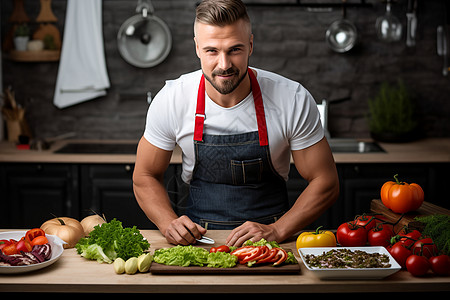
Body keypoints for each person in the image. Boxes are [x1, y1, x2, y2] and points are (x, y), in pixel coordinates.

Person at [133, 0, 339, 246]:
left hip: (273, 243)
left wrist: (277, 230)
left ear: (250, 45)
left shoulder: (291, 98)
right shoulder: (172, 99)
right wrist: (169, 223)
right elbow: (144, 175)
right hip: (199, 243)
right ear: (197, 48)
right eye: (212, 51)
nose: (224, 64)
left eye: (235, 50)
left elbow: (325, 181)